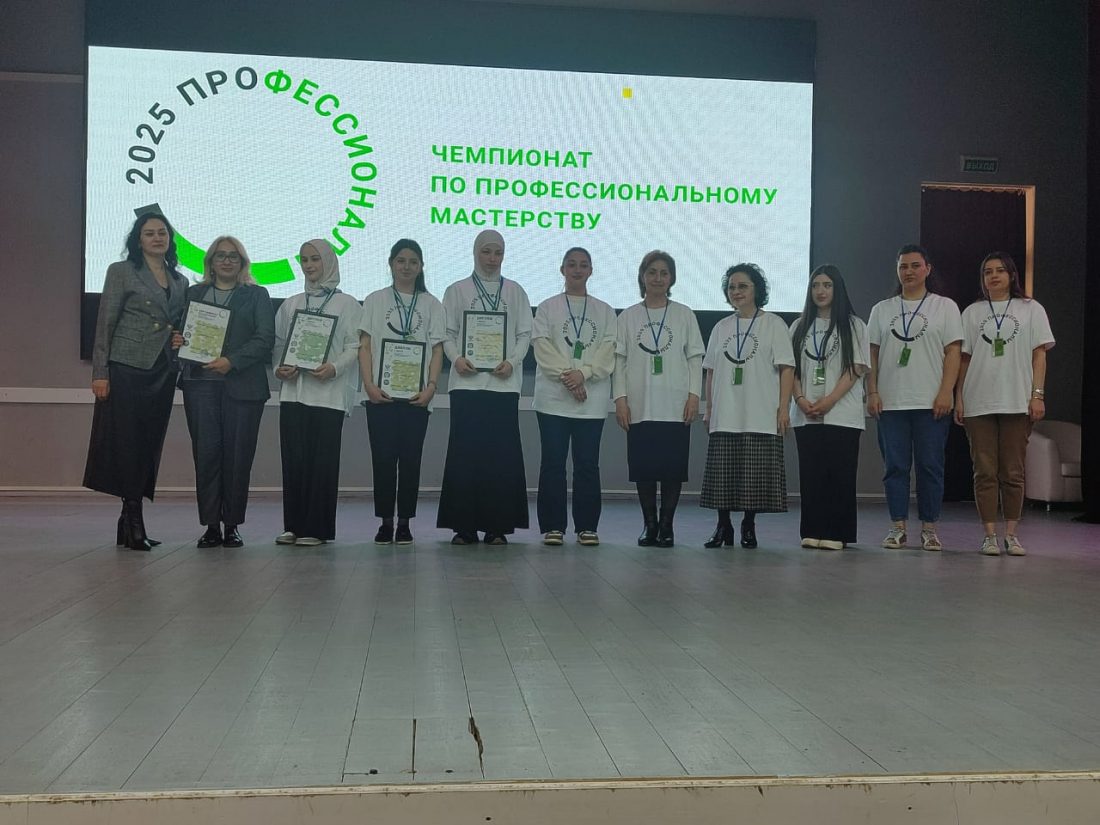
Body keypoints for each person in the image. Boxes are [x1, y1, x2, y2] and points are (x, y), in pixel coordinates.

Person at [84, 212, 187, 551]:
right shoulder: (122, 271)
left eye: (162, 233)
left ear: (170, 239)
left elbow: (175, 324)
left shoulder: (179, 280)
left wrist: (178, 338)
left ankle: (127, 522)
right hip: (127, 368)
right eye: (149, 233)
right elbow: (105, 323)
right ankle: (134, 518)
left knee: (147, 444)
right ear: (138, 240)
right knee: (126, 443)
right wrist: (100, 372)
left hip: (162, 371)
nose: (157, 238)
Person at [954, 252, 1054, 556]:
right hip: (978, 401)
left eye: (999, 271)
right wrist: (959, 397)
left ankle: (1011, 534)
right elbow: (964, 359)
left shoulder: (1031, 309)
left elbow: (1039, 355)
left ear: (1011, 275)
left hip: (1017, 401)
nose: (994, 276)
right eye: (988, 272)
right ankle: (989, 536)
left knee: (1013, 471)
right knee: (984, 471)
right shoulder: (972, 312)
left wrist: (1037, 395)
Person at [178, 236, 275, 549]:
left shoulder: (257, 294)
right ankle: (210, 526)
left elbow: (265, 339)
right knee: (206, 456)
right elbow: (182, 333)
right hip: (200, 385)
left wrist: (231, 361)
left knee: (238, 457)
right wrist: (178, 340)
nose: (227, 261)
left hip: (243, 387)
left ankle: (232, 525)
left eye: (234, 256)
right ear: (210, 262)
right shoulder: (194, 293)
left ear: (243, 262)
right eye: (220, 255)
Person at [437, 230, 532, 545]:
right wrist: (456, 358)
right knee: (465, 455)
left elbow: (524, 334)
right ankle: (463, 527)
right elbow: (447, 332)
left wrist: (513, 362)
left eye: (498, 253)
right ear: (475, 253)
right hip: (466, 384)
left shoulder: (516, 291)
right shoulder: (457, 290)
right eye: (486, 252)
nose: (492, 259)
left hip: (504, 385)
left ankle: (496, 526)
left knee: (500, 457)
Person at [867, 244, 963, 551]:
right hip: (891, 403)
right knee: (895, 467)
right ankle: (897, 527)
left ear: (927, 269)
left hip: (931, 403)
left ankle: (929, 529)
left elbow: (953, 352)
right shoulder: (882, 309)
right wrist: (872, 391)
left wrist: (946, 391)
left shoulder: (944, 306)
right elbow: (872, 354)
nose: (908, 271)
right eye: (903, 266)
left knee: (930, 467)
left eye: (914, 265)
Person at [272, 238, 361, 546]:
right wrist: (279, 368)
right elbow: (279, 345)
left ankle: (317, 529)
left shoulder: (348, 304)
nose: (309, 265)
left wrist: (334, 368)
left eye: (315, 259)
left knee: (322, 464)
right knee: (293, 461)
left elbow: (354, 346)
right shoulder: (291, 303)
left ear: (329, 261)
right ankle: (293, 526)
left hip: (328, 395)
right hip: (293, 393)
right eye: (304, 260)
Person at [700, 264, 794, 549]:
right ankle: (723, 525)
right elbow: (711, 371)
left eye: (743, 286)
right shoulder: (721, 327)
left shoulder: (774, 324)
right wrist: (709, 408)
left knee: (753, 476)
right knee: (723, 474)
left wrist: (783, 408)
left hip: (760, 411)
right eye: (732, 287)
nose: (736, 292)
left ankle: (748, 525)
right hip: (725, 411)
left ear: (757, 290)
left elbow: (787, 368)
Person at [613, 250, 704, 547]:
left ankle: (667, 526)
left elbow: (694, 359)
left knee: (672, 470)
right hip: (640, 405)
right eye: (652, 272)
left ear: (672, 279)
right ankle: (649, 525)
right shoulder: (628, 316)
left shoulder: (684, 314)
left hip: (675, 405)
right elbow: (619, 362)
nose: (658, 278)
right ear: (642, 276)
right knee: (644, 469)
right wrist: (620, 399)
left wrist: (694, 396)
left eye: (664, 273)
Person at [358, 239, 445, 545]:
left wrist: (431, 387)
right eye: (401, 260)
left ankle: (405, 522)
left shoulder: (432, 304)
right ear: (391, 264)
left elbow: (437, 350)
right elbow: (365, 346)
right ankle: (385, 522)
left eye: (413, 262)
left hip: (416, 397)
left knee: (410, 461)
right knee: (382, 461)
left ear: (421, 267)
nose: (406, 267)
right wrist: (369, 385)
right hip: (380, 395)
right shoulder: (375, 300)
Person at [532, 247, 617, 547]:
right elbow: (541, 346)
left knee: (587, 464)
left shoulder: (605, 311)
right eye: (571, 265)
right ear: (562, 270)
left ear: (591, 270)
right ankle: (553, 526)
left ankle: (587, 527)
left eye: (583, 265)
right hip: (552, 400)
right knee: (552, 463)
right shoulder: (547, 307)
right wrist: (570, 376)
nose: (577, 270)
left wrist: (585, 374)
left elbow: (609, 348)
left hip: (591, 401)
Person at [789, 265, 870, 550]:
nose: (820, 291)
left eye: (827, 285)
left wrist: (830, 400)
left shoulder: (854, 325)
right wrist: (800, 399)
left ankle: (837, 532)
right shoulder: (799, 326)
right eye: (815, 286)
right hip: (805, 412)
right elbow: (790, 370)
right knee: (811, 474)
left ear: (838, 289)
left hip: (842, 413)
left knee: (840, 474)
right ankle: (812, 529)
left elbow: (855, 368)